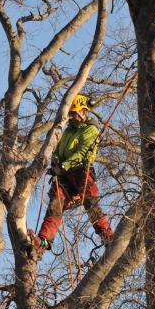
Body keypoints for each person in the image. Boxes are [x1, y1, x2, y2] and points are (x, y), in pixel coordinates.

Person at [28, 94, 113, 258]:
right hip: (64, 176)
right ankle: (43, 241)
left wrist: (64, 166)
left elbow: (83, 153)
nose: (72, 117)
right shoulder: (68, 131)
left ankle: (108, 237)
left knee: (91, 205)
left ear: (83, 110)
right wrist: (56, 164)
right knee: (55, 206)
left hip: (82, 172)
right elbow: (58, 151)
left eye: (74, 113)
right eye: (70, 114)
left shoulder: (91, 129)